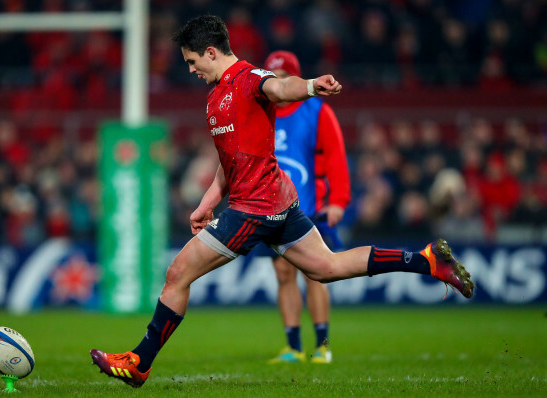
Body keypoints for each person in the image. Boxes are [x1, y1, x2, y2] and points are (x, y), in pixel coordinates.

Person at [90, 15, 475, 388]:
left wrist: (309, 86)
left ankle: (139, 361)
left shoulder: (249, 77)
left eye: (191, 61)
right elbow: (229, 164)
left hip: (254, 208)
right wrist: (206, 204)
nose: (190, 70)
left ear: (210, 52)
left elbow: (279, 88)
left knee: (177, 274)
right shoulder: (215, 98)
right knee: (327, 267)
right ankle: (425, 261)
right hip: (275, 202)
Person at [253, 50, 350, 364]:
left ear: (295, 79)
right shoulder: (259, 112)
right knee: (283, 274)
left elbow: (336, 158)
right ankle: (293, 347)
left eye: (283, 78)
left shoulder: (316, 111)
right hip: (272, 207)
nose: (277, 84)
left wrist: (338, 202)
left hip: (312, 206)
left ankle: (322, 346)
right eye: (272, 78)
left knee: (316, 274)